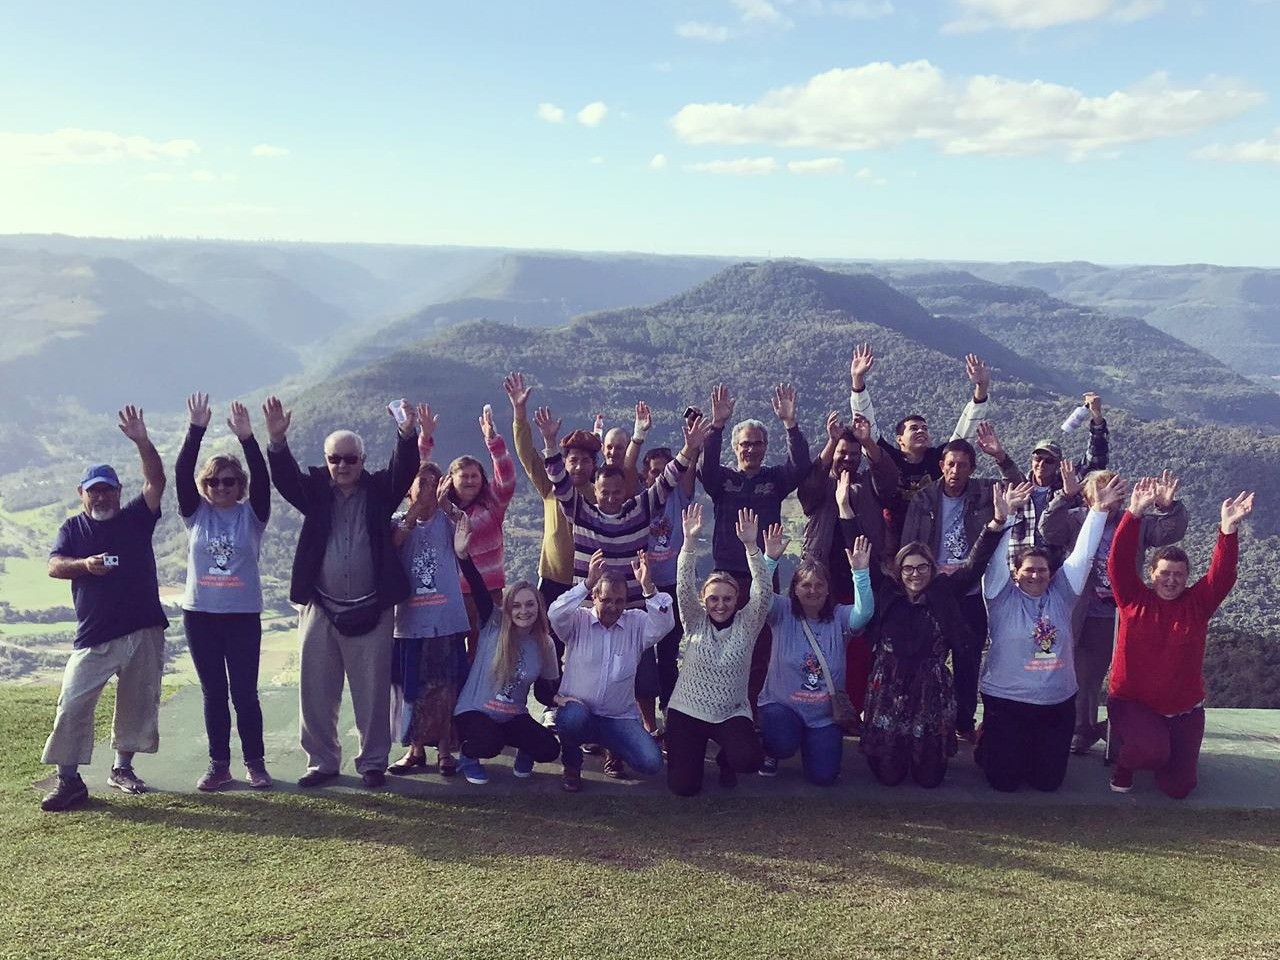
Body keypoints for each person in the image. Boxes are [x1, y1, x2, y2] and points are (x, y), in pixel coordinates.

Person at [265, 395, 422, 789]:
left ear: (363, 459)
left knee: (371, 693)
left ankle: (372, 762)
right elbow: (283, 480)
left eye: (350, 459)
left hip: (374, 606)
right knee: (315, 689)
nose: (343, 466)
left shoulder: (380, 490)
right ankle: (322, 762)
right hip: (321, 606)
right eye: (335, 459)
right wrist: (276, 442)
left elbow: (405, 469)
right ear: (327, 459)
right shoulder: (314, 491)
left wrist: (407, 433)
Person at [40, 406, 169, 812]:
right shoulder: (73, 529)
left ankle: (122, 769)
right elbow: (54, 566)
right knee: (73, 702)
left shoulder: (135, 518)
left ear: (117, 490)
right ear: (82, 494)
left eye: (107, 489)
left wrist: (142, 441)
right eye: (93, 490)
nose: (100, 496)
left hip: (144, 628)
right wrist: (85, 566)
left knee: (138, 702)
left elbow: (156, 480)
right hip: (95, 634)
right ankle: (69, 781)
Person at [974, 474, 1128, 792]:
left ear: (1051, 573)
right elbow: (992, 565)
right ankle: (987, 743)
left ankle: (1025, 749)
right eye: (1028, 570)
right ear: (1015, 574)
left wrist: (1098, 510)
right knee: (1004, 782)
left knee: (1047, 783)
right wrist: (1003, 519)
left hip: (1055, 703)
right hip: (1007, 701)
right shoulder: (1000, 595)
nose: (1035, 575)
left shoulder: (1062, 594)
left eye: (1042, 570)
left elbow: (1082, 557)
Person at [861, 483, 1019, 789]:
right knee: (889, 777)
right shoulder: (887, 593)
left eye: (922, 568)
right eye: (908, 568)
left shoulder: (943, 592)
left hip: (930, 689)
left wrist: (997, 523)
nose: (915, 574)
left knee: (929, 779)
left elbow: (974, 564)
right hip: (889, 687)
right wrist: (845, 510)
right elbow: (859, 552)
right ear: (899, 570)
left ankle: (926, 754)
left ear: (932, 570)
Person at [1106, 481, 1252, 798]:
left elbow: (1222, 576)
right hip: (1133, 704)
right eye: (1164, 573)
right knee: (1149, 752)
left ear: (1186, 578)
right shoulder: (1132, 599)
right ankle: (1127, 760)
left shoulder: (1197, 605)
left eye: (1178, 574)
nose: (1171, 580)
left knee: (1179, 788)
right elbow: (1117, 561)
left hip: (1184, 710)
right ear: (1151, 574)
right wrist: (1133, 513)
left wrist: (1227, 530)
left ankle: (1157, 744)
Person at [1042, 467, 1188, 755]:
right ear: (1087, 499)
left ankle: (1120, 730)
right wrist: (1064, 496)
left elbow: (1168, 531)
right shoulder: (1076, 520)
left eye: (1115, 492)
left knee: (1132, 675)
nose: (1111, 499)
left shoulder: (1133, 522)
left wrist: (1167, 506)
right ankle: (1082, 731)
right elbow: (1049, 530)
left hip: (1127, 613)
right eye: (1102, 492)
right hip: (1089, 612)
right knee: (1086, 675)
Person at [175, 393, 272, 792]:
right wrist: (195, 430)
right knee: (214, 693)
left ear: (241, 485)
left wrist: (249, 440)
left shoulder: (253, 515)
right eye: (212, 481)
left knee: (245, 694)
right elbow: (181, 473)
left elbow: (264, 479)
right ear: (204, 485)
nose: (220, 487)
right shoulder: (195, 513)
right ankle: (220, 765)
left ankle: (256, 764)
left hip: (242, 615)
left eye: (229, 481)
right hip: (200, 615)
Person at [699, 382, 812, 712]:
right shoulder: (722, 480)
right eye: (745, 444)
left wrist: (791, 425)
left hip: (765, 572)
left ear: (765, 447)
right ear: (735, 447)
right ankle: (717, 705)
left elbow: (801, 466)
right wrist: (717, 426)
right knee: (720, 644)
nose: (751, 449)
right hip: (726, 577)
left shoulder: (774, 479)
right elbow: (705, 469)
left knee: (761, 647)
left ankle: (751, 710)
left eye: (757, 444)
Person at [902, 437, 1019, 741]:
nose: (955, 470)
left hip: (971, 591)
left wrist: (1001, 455)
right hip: (934, 591)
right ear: (941, 465)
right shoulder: (924, 499)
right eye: (950, 464)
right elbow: (909, 545)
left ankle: (964, 722)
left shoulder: (983, 492)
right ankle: (926, 717)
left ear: (972, 469)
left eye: (963, 465)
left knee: (968, 659)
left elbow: (1019, 484)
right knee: (929, 659)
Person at [756, 511, 875, 786]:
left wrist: (860, 573)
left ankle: (812, 745)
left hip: (823, 716)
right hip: (782, 706)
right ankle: (772, 750)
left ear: (828, 589)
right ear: (794, 589)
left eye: (819, 585)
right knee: (783, 739)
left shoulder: (840, 617)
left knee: (824, 776)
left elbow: (865, 612)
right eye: (805, 585)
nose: (813, 590)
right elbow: (759, 596)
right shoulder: (782, 612)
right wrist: (769, 560)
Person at [506, 371, 596, 726]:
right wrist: (519, 414)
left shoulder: (600, 495)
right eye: (572, 459)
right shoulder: (550, 487)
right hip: (553, 580)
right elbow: (527, 454)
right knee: (550, 646)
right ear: (564, 460)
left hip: (588, 582)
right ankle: (550, 704)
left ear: (594, 465)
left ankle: (583, 705)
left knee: (584, 646)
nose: (577, 465)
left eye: (585, 460)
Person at [798, 412, 898, 730]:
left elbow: (889, 477)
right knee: (815, 644)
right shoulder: (821, 486)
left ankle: (852, 710)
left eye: (854, 455)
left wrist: (868, 440)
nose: (848, 459)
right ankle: (813, 706)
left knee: (857, 648)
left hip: (863, 579)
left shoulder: (870, 485)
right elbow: (807, 487)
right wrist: (830, 443)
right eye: (843, 452)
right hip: (821, 577)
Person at [665, 505, 771, 796]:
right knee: (684, 788)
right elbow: (683, 585)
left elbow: (763, 590)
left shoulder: (748, 624)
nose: (720, 604)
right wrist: (688, 543)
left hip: (730, 713)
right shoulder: (695, 621)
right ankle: (691, 754)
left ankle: (726, 760)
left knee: (748, 760)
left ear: (738, 599)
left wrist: (751, 547)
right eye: (713, 598)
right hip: (687, 710)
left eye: (727, 598)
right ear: (704, 599)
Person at [548, 551, 675, 793]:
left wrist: (648, 587)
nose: (613, 607)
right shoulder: (577, 622)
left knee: (650, 763)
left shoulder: (636, 623)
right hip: (579, 712)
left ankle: (612, 748)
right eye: (606, 600)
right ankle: (572, 767)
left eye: (619, 601)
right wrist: (585, 583)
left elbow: (665, 623)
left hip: (618, 718)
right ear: (594, 597)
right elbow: (554, 612)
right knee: (571, 718)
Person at [847, 343, 991, 539]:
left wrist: (981, 389)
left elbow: (965, 433)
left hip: (931, 536)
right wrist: (858, 381)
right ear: (899, 439)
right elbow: (865, 428)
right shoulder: (888, 458)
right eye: (913, 428)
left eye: (924, 428)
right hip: (889, 539)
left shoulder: (938, 460)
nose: (921, 431)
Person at [386, 458, 473, 778]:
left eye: (434, 482)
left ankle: (446, 750)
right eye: (421, 482)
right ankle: (415, 749)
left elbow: (466, 529)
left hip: (446, 620)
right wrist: (416, 510)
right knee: (413, 688)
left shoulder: (450, 520)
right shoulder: (397, 521)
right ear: (408, 489)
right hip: (409, 622)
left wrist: (445, 503)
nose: (428, 489)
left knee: (446, 686)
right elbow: (393, 544)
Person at [975, 394, 1109, 570]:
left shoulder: (1067, 486)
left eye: (1049, 461)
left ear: (1058, 465)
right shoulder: (1021, 487)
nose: (1042, 464)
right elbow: (1008, 469)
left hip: (1055, 567)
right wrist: (998, 454)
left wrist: (1097, 418)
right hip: (1018, 568)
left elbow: (1095, 460)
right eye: (1038, 458)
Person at [453, 579, 561, 785]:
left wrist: (560, 699)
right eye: (516, 606)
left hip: (512, 716)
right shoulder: (494, 625)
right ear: (508, 609)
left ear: (539, 606)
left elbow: (544, 691)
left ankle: (525, 751)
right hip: (474, 711)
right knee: (488, 743)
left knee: (549, 748)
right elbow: (479, 591)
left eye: (530, 604)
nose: (524, 611)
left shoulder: (545, 643)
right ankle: (468, 756)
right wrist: (463, 556)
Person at [444, 402, 518, 659]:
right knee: (453, 656)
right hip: (453, 594)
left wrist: (493, 440)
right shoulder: (441, 509)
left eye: (475, 475)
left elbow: (507, 477)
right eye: (464, 476)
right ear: (451, 480)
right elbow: (416, 486)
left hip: (490, 592)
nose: (470, 480)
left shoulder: (492, 505)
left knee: (485, 654)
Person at [641, 426, 698, 723]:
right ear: (645, 476)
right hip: (645, 587)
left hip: (674, 586)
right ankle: (645, 718)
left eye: (665, 471)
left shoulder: (680, 496)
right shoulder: (640, 501)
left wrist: (693, 443)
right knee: (642, 658)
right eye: (653, 472)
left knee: (668, 654)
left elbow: (690, 464)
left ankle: (670, 711)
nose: (660, 477)